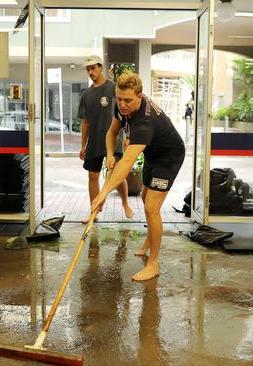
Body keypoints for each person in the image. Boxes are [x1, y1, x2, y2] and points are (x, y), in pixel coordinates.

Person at [91, 73, 185, 281]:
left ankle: (154, 264)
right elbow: (112, 132)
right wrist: (109, 154)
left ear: (140, 97)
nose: (122, 105)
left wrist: (103, 193)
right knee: (144, 198)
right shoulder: (121, 106)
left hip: (169, 157)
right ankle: (149, 242)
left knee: (152, 207)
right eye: (119, 99)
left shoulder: (145, 123)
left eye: (128, 101)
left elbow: (126, 164)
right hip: (152, 152)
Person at [78, 55, 133, 224]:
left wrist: (128, 137)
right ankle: (93, 212)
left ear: (101, 67)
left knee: (116, 174)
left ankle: (125, 203)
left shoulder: (114, 88)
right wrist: (83, 145)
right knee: (92, 176)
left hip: (114, 139)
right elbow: (85, 122)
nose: (90, 72)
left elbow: (126, 114)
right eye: (88, 69)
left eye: (93, 68)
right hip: (94, 141)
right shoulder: (86, 94)